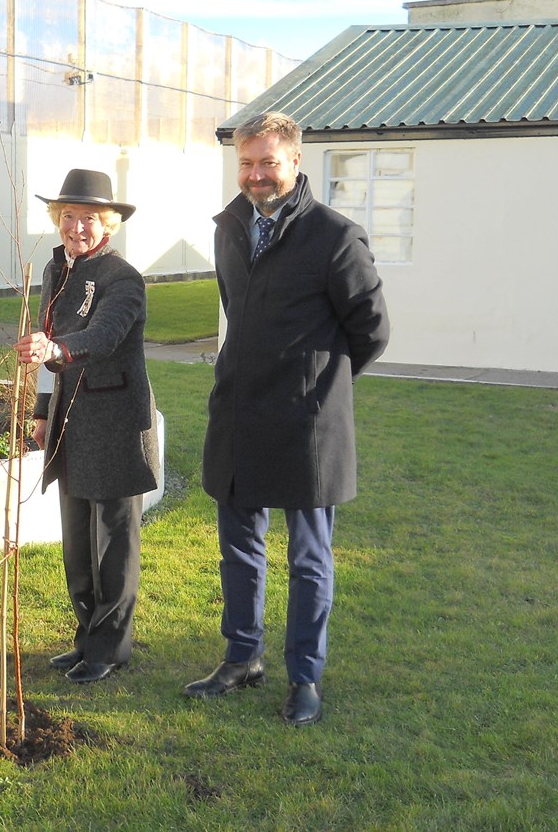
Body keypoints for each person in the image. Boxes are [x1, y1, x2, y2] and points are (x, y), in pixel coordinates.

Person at [184, 112, 390, 725]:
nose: (255, 175)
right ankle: (242, 656)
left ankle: (305, 677)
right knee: (239, 549)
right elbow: (236, 310)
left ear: (296, 162)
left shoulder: (334, 236)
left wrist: (320, 386)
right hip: (241, 415)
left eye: (268, 162)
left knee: (309, 558)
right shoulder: (229, 228)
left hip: (309, 425)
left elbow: (371, 329)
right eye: (246, 163)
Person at [14, 169, 161, 685]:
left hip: (116, 425)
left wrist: (58, 350)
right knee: (77, 542)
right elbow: (46, 339)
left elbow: (104, 334)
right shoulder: (58, 271)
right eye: (69, 217)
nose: (77, 227)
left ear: (109, 224)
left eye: (90, 218)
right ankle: (86, 637)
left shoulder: (124, 279)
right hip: (69, 424)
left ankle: (110, 648)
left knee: (114, 543)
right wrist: (39, 410)